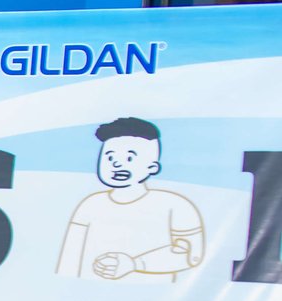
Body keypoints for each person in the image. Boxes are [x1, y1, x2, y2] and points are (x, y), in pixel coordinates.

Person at [56, 117, 205, 282]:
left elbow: (191, 256)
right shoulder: (89, 205)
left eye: (129, 158)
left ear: (153, 166)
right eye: (110, 158)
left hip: (154, 299)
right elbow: (69, 261)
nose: (117, 165)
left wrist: (135, 264)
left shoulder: (176, 205)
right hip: (86, 299)